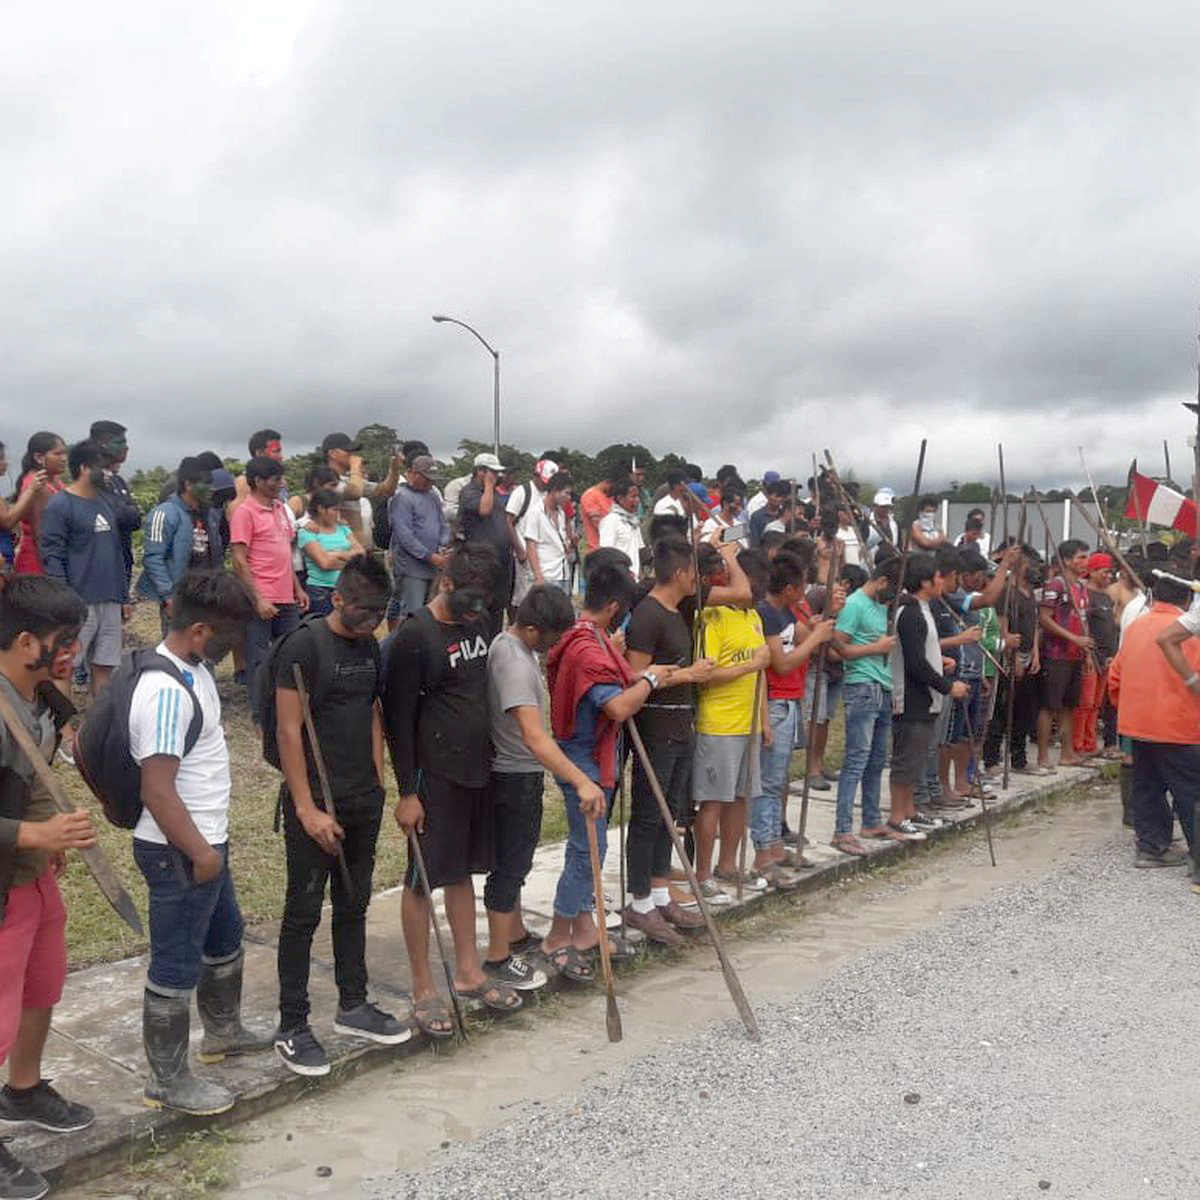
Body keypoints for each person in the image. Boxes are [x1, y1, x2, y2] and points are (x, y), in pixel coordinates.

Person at [131, 571, 269, 1116]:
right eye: (230, 637)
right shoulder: (166, 692)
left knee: (225, 935)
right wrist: (201, 852)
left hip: (206, 841)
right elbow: (157, 789)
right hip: (180, 851)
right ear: (199, 630)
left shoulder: (196, 670)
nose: (236, 649)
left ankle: (223, 1032)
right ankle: (167, 1080)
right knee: (176, 961)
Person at [271, 556, 409, 1075]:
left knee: (354, 903)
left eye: (378, 612)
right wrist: (306, 809)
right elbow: (288, 730)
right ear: (337, 599)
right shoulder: (303, 647)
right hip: (316, 803)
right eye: (362, 611)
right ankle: (292, 1026)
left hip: (361, 797)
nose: (371, 621)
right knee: (303, 913)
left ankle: (354, 1005)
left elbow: (371, 711)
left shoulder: (369, 646)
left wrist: (377, 779)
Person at [383, 543, 522, 1038]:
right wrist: (407, 792)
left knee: (462, 871)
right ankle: (423, 985)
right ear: (445, 584)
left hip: (476, 769)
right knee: (422, 877)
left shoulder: (477, 622)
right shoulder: (413, 638)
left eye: (484, 602)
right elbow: (397, 721)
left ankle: (467, 970)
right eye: (468, 600)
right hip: (432, 776)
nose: (476, 610)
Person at [0, 576, 95, 1200]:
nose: (73, 652)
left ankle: (24, 1090)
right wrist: (35, 834)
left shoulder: (37, 697)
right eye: (64, 641)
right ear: (26, 642)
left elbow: (28, 778)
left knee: (42, 986)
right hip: (4, 885)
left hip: (30, 877)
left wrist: (44, 840)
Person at [542, 560, 673, 981]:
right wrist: (650, 682)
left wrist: (645, 676)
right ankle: (557, 936)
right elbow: (616, 706)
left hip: (594, 754)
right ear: (615, 607)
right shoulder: (586, 649)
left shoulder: (593, 637)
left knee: (590, 847)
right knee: (588, 850)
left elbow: (619, 679)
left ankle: (584, 929)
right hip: (583, 759)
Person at [482, 585, 588, 987]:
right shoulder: (513, 661)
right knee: (509, 867)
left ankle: (514, 934)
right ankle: (497, 957)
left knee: (516, 861)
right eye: (553, 637)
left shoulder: (513, 647)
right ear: (531, 629)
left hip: (517, 772)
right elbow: (533, 735)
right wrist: (580, 780)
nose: (555, 645)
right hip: (513, 775)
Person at [622, 539, 715, 942]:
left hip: (681, 725)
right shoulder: (647, 615)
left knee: (670, 814)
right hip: (656, 729)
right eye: (694, 572)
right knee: (648, 814)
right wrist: (688, 675)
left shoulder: (678, 612)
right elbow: (634, 677)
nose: (698, 580)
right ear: (679, 573)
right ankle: (639, 901)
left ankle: (660, 894)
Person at [1110, 568, 1200, 874]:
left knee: (1147, 786)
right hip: (1179, 724)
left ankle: (1151, 847)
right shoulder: (1188, 631)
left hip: (1138, 723)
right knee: (1191, 791)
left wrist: (1129, 709)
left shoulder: (1136, 626)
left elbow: (1115, 676)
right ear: (1188, 598)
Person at [692, 549, 771, 893]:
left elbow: (761, 674)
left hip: (748, 723)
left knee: (741, 798)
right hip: (719, 724)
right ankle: (703, 875)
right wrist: (750, 665)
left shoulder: (753, 616)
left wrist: (764, 720)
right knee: (713, 800)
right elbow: (706, 674)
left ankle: (728, 864)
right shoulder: (712, 617)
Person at [753, 551, 836, 869]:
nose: (804, 592)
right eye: (801, 586)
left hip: (790, 701)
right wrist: (815, 638)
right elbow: (783, 663)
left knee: (779, 779)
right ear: (789, 588)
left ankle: (775, 844)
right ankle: (764, 850)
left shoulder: (786, 613)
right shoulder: (767, 615)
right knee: (769, 782)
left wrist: (818, 627)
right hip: (776, 702)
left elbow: (806, 636)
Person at [40, 441, 140, 698]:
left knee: (105, 666)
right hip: (78, 602)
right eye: (102, 467)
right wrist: (63, 600)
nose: (108, 473)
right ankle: (61, 720)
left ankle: (99, 719)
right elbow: (52, 557)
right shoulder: (60, 505)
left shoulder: (106, 503)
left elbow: (116, 553)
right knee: (65, 666)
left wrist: (123, 597)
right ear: (84, 468)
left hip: (110, 599)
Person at [888, 554, 968, 840]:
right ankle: (897, 815)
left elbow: (924, 653)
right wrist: (947, 686)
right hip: (912, 697)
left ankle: (910, 810)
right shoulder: (910, 613)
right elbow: (915, 662)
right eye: (937, 577)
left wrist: (939, 659)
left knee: (918, 756)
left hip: (925, 697)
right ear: (924, 581)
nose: (942, 581)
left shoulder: (923, 610)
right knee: (906, 758)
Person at [229, 456, 308, 719]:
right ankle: (260, 713)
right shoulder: (245, 513)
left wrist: (297, 589)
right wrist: (259, 599)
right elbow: (239, 560)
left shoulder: (280, 509)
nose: (281, 484)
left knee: (291, 653)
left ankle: (287, 708)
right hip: (260, 597)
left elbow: (285, 553)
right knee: (259, 658)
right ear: (259, 481)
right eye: (275, 479)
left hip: (286, 597)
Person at [831, 557, 900, 855]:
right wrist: (876, 648)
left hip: (881, 685)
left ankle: (871, 819)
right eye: (891, 591)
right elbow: (839, 647)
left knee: (876, 759)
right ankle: (842, 829)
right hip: (861, 685)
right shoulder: (855, 605)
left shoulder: (880, 605)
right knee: (856, 760)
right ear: (881, 581)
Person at [138, 458, 224, 635]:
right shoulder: (165, 513)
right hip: (180, 596)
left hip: (207, 595)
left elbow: (216, 554)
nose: (211, 488)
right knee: (177, 646)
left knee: (206, 646)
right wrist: (168, 596)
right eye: (206, 483)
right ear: (188, 484)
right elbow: (153, 558)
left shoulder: (210, 515)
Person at [1037, 539, 1094, 770]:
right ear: (1067, 561)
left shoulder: (1081, 587)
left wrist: (1086, 652)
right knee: (1049, 705)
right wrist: (1073, 638)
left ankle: (1067, 753)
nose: (1086, 562)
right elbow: (1044, 618)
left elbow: (1083, 620)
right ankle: (1042, 756)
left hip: (1075, 655)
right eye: (1081, 557)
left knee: (1070, 705)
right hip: (1056, 654)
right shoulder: (1056, 585)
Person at [386, 455, 450, 630]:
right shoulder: (402, 497)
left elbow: (442, 524)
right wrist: (428, 556)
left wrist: (443, 546)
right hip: (411, 567)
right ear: (412, 473)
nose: (429, 482)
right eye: (426, 478)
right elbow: (404, 535)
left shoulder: (433, 495)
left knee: (430, 613)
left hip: (433, 566)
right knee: (411, 615)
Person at [456, 453, 513, 638]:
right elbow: (484, 510)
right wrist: (488, 485)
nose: (496, 476)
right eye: (492, 472)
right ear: (480, 471)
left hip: (499, 563)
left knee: (497, 610)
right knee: (479, 610)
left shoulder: (493, 493)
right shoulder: (470, 492)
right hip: (480, 564)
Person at [88, 420, 140, 597]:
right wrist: (123, 509)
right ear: (102, 444)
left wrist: (123, 511)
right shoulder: (90, 479)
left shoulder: (118, 481)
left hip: (122, 562)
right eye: (120, 442)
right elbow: (115, 516)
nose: (126, 447)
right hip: (99, 568)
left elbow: (135, 520)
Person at [1074, 552, 1118, 758]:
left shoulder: (1107, 597)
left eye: (1110, 572)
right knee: (1085, 701)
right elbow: (1084, 627)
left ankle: (1090, 743)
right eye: (1104, 572)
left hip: (1107, 658)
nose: (1108, 576)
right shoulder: (1086, 595)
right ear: (1092, 572)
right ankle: (1078, 744)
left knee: (1097, 703)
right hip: (1091, 656)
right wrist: (1088, 655)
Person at [320, 433, 402, 541]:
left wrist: (394, 470)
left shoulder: (351, 480)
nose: (352, 455)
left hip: (356, 546)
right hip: (336, 545)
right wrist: (355, 468)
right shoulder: (325, 480)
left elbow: (385, 490)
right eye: (348, 451)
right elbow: (355, 493)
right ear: (332, 453)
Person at [296, 490, 363, 616]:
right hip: (321, 591)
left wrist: (335, 554)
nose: (338, 514)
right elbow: (324, 563)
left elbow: (361, 553)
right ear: (321, 509)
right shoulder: (307, 532)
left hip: (347, 588)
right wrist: (348, 557)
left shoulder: (343, 528)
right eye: (334, 509)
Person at [507, 458, 559, 607]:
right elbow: (508, 521)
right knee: (524, 598)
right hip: (525, 554)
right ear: (536, 475)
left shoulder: (549, 495)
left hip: (545, 558)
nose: (546, 484)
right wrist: (519, 549)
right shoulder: (522, 492)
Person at [12, 434, 66, 577]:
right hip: (39, 564)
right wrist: (55, 574)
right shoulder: (38, 485)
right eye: (57, 454)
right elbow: (40, 535)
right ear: (39, 457)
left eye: (64, 453)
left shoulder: (53, 479)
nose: (64, 458)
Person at [0, 445, 50, 573]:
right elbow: (7, 520)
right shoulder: (32, 485)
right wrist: (31, 490)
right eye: (2, 458)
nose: (6, 462)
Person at [523, 472, 574, 593]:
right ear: (555, 491)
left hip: (562, 573)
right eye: (566, 493)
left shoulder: (561, 513)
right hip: (546, 573)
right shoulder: (535, 513)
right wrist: (538, 576)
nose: (569, 498)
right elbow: (531, 546)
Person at [597, 476, 643, 571]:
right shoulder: (611, 521)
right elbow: (606, 554)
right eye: (633, 497)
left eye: (638, 496)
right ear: (620, 498)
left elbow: (638, 551)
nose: (637, 500)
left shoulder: (634, 522)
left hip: (633, 576)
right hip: (618, 576)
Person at [579, 469, 622, 553]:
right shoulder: (590, 496)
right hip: (597, 551)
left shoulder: (611, 497)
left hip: (614, 549)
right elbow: (600, 525)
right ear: (610, 483)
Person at [748, 480, 793, 548]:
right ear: (768, 495)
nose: (777, 499)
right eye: (776, 496)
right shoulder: (757, 516)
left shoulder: (784, 515)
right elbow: (755, 541)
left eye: (780, 496)